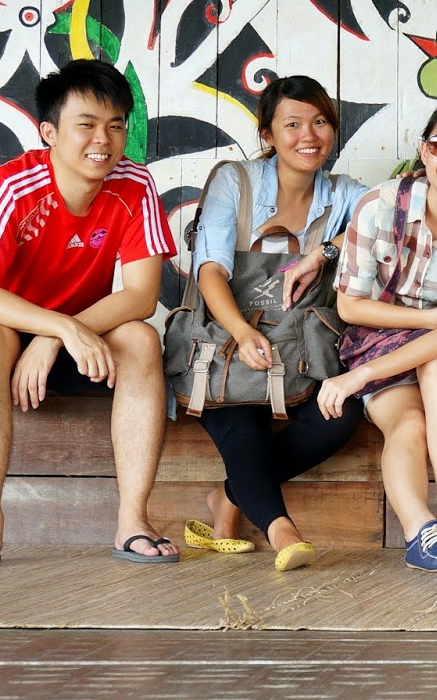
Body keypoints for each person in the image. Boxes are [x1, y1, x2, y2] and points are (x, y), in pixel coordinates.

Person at [0, 60, 179, 567]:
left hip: (77, 338)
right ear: (49, 132)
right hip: (0, 333)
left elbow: (141, 296)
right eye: (86, 125)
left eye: (115, 125)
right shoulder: (14, 185)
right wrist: (56, 327)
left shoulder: (135, 184)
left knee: (140, 338)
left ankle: (133, 520)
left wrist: (58, 337)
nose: (103, 140)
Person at [316, 98, 437, 572]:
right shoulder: (378, 206)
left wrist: (357, 377)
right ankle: (422, 533)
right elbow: (350, 306)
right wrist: (429, 319)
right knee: (407, 424)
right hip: (378, 338)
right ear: (424, 151)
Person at [183, 76, 370, 571]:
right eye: (292, 124)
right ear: (267, 134)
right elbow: (210, 270)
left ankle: (228, 497)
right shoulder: (235, 181)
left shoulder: (344, 194)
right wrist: (243, 332)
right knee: (243, 420)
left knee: (341, 414)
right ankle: (281, 530)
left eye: (320, 122)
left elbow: (396, 216)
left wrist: (324, 251)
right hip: (224, 343)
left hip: (300, 351)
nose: (309, 135)